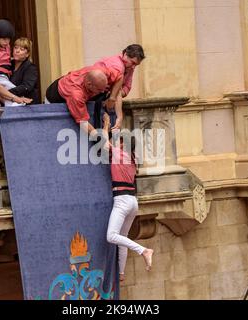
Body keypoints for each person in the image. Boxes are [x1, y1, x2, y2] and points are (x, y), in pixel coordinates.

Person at [103, 113, 153, 282]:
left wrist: (106, 125)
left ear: (123, 144)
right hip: (132, 202)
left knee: (112, 236)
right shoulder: (132, 158)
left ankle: (144, 251)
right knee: (122, 237)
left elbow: (103, 143)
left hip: (122, 201)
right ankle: (121, 272)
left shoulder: (119, 153)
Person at [45, 65, 121, 135]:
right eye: (99, 89)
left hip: (75, 86)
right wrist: (100, 139)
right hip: (54, 98)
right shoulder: (76, 95)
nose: (102, 91)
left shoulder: (101, 71)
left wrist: (112, 98)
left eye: (104, 88)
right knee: (60, 130)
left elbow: (120, 76)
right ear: (89, 84)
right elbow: (83, 122)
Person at [94, 44, 145, 129]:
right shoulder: (117, 66)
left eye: (136, 65)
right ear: (125, 54)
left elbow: (127, 87)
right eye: (133, 62)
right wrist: (120, 117)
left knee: (111, 132)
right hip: (96, 99)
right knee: (103, 134)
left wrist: (116, 92)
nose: (133, 67)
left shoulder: (129, 67)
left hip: (109, 101)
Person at [0, 19, 31, 106]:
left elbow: (7, 58)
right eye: (4, 39)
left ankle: (11, 106)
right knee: (13, 93)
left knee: (5, 96)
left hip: (5, 76)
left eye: (8, 39)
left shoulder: (7, 46)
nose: (6, 42)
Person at [9, 37, 39, 104]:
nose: (17, 51)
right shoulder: (8, 65)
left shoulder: (30, 67)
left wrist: (6, 93)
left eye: (22, 49)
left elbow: (27, 86)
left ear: (27, 54)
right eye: (16, 47)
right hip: (10, 103)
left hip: (27, 106)